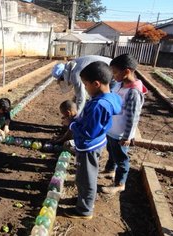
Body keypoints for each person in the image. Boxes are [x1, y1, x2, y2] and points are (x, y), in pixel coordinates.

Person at [63, 61, 122, 219]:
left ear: (96, 84)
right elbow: (94, 123)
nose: (85, 88)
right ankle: (84, 200)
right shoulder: (110, 97)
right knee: (85, 176)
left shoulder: (99, 105)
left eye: (86, 84)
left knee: (86, 178)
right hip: (96, 143)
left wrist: (72, 124)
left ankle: (85, 210)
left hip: (89, 146)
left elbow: (88, 132)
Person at [101, 54, 147, 194]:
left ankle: (120, 184)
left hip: (121, 133)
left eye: (115, 72)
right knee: (112, 152)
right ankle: (109, 170)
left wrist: (127, 136)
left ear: (127, 71)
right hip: (112, 129)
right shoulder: (120, 85)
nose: (113, 76)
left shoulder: (133, 92)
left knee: (121, 159)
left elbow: (133, 117)